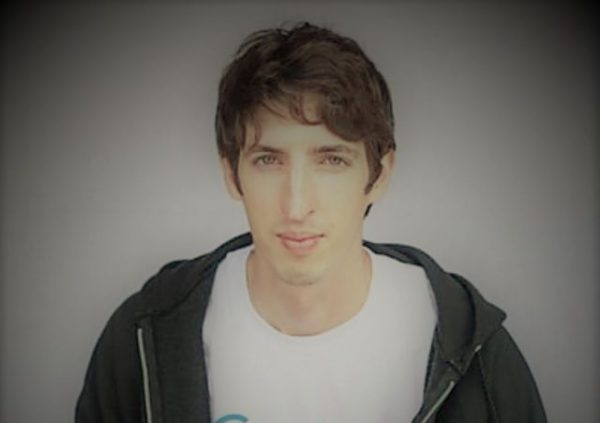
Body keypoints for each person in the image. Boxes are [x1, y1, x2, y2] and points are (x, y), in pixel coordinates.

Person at [76, 22, 546, 423]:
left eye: (332, 160)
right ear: (232, 175)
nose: (297, 204)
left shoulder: (475, 351)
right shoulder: (144, 337)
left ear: (379, 175)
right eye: (268, 160)